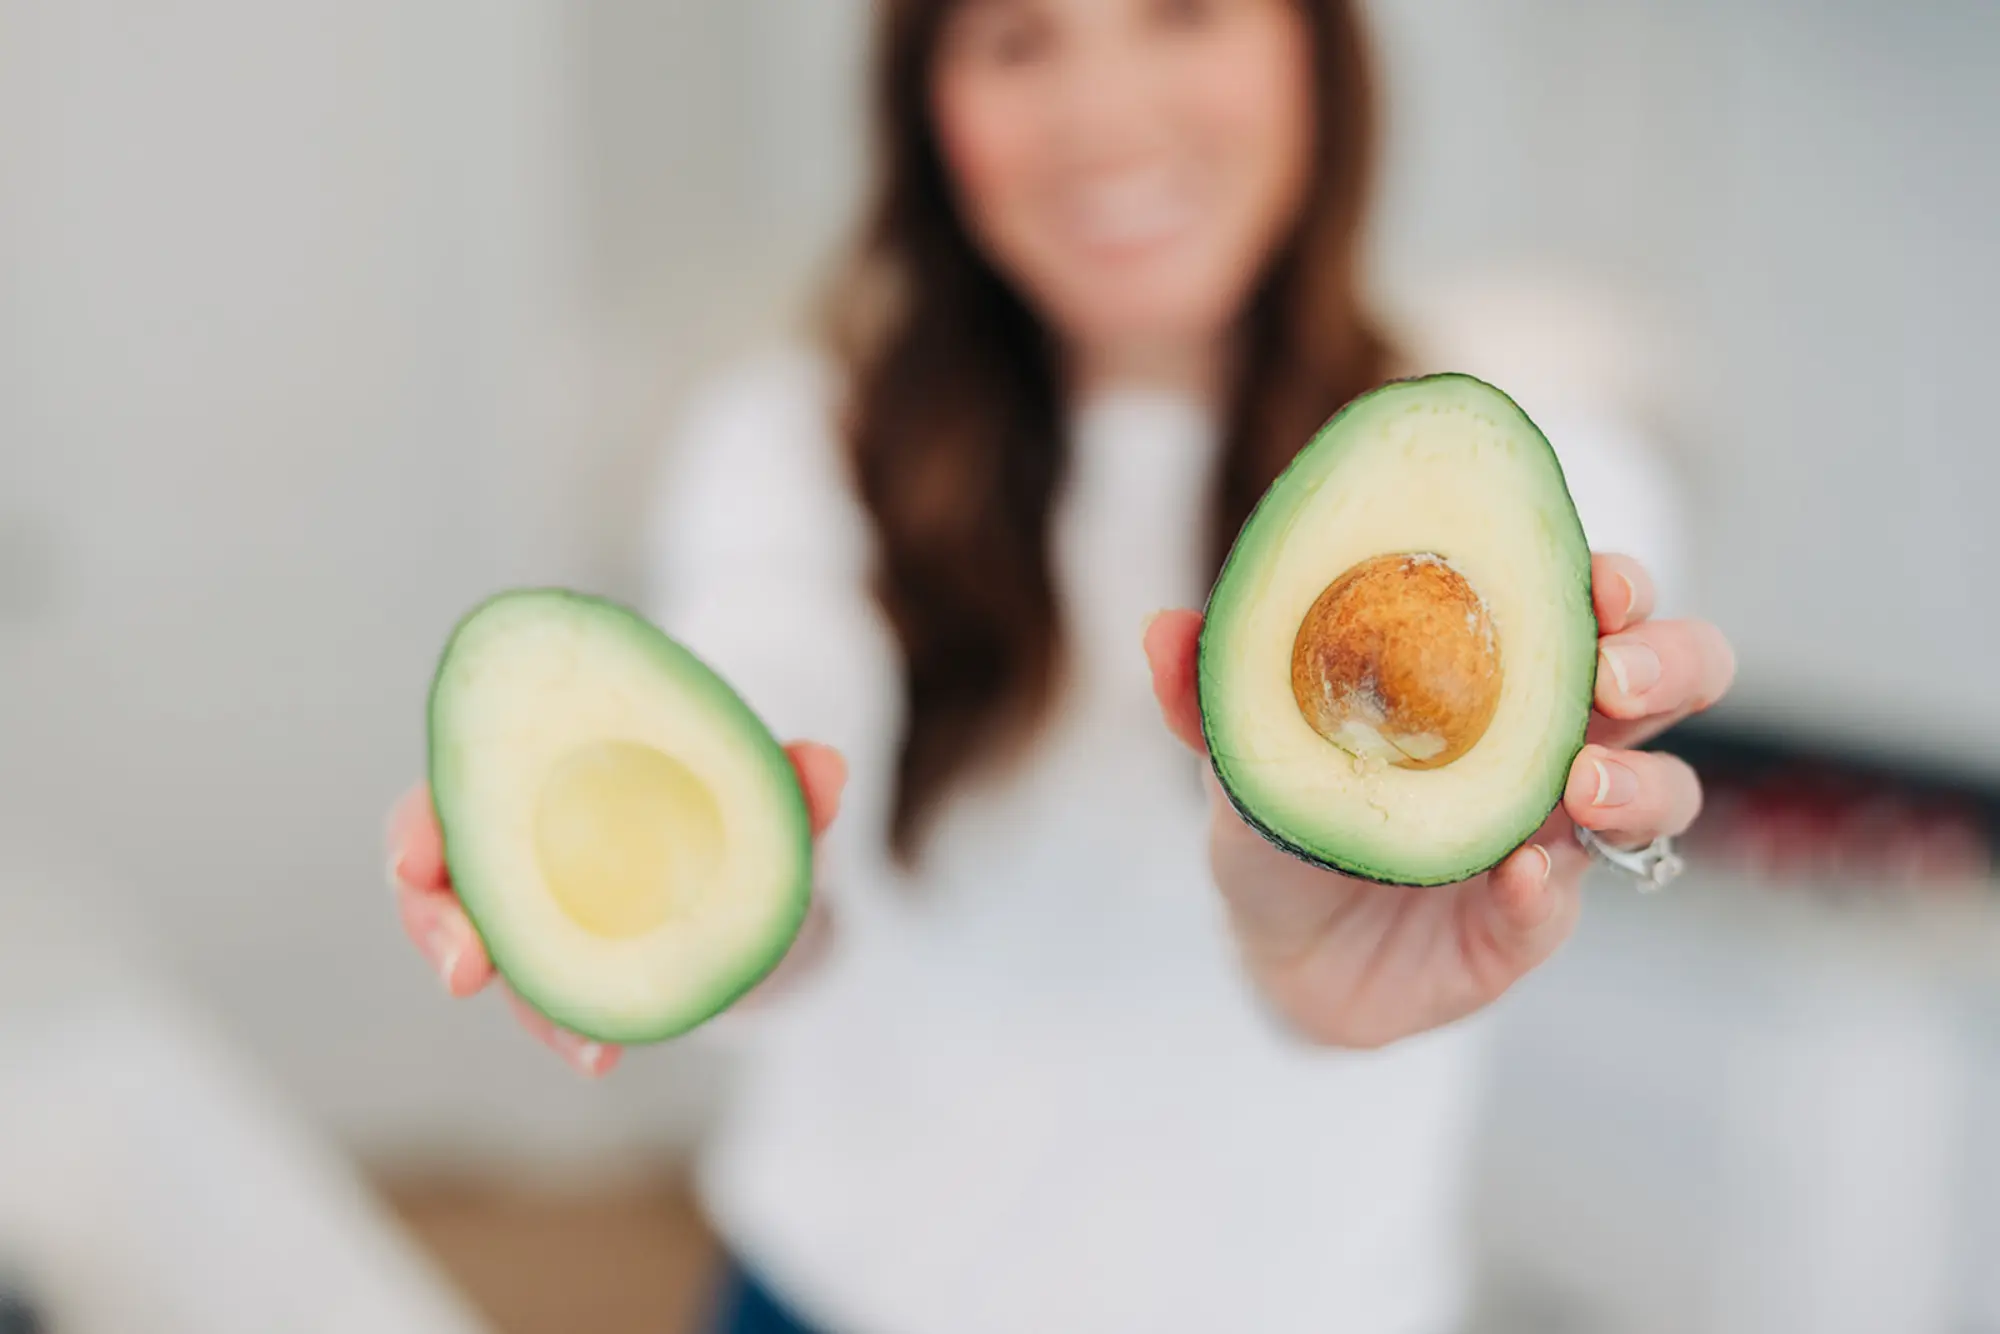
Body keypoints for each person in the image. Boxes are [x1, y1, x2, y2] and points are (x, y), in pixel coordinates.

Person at [386, 2, 1736, 1331]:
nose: (1103, 112)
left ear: (1313, 44)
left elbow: (1507, 850)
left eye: (1181, 13)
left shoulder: (1559, 472)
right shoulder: (793, 444)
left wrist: (1376, 934)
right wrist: (688, 859)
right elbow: (777, 710)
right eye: (1018, 38)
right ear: (928, 103)